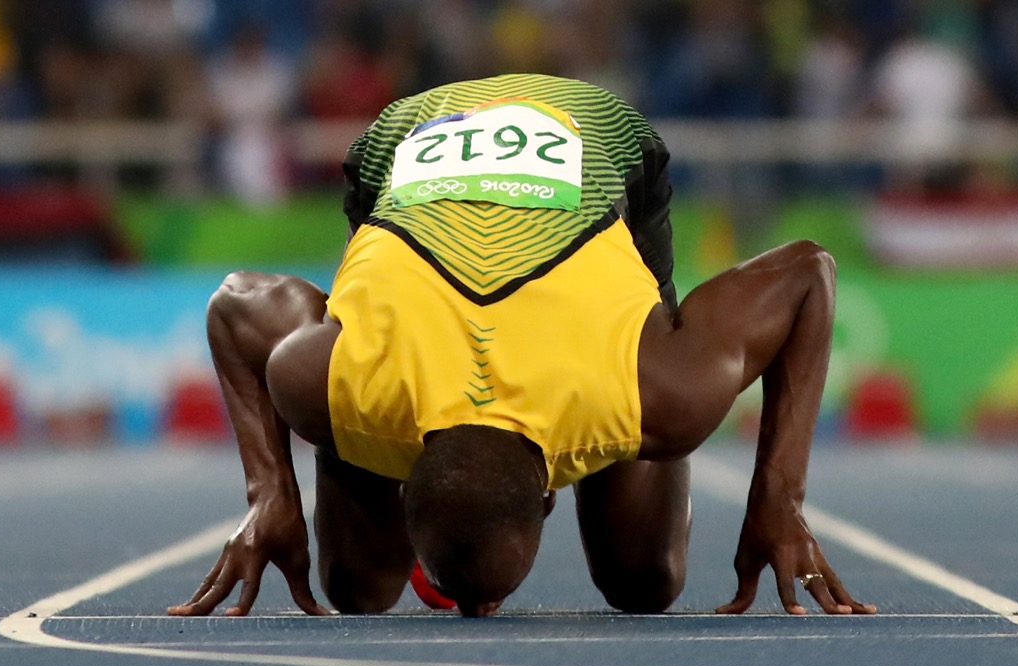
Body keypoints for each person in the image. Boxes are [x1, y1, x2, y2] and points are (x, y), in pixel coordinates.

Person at [167, 74, 875, 619]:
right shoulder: (327, 380)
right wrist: (270, 497)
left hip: (595, 135)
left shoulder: (653, 389)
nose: (481, 615)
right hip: (405, 144)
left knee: (645, 580)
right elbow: (807, 270)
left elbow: (809, 272)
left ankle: (364, 445)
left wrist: (778, 501)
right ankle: (360, 443)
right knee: (355, 589)